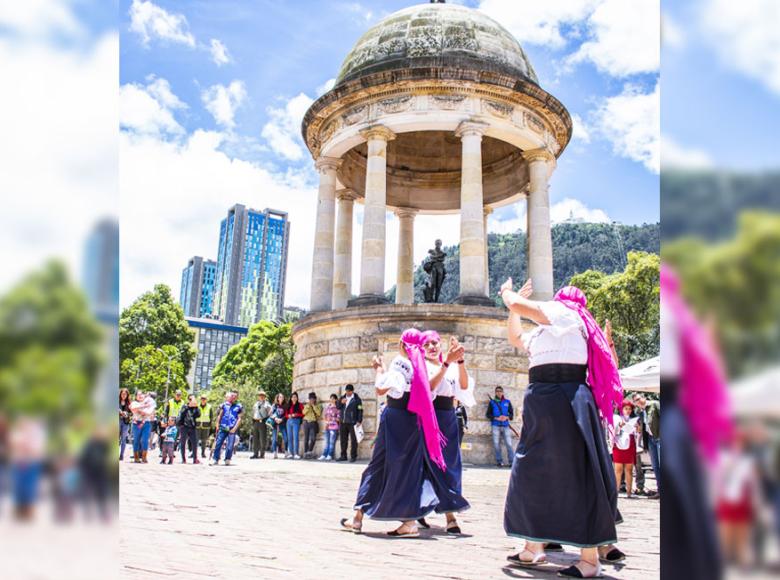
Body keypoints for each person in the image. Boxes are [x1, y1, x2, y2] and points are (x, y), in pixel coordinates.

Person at [500, 278, 624, 578]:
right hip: (543, 400)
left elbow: (518, 304)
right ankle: (533, 548)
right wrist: (513, 310)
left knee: (577, 473)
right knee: (531, 472)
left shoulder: (568, 315)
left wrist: (508, 294)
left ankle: (589, 560)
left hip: (563, 398)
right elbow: (517, 337)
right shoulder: (549, 330)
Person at [340, 328, 466, 538]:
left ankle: (358, 518)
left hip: (396, 418)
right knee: (409, 471)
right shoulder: (421, 367)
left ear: (402, 344)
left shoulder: (401, 363)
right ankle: (408, 521)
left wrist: (379, 369)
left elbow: (381, 389)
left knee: (378, 466)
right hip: (414, 422)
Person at [420, 330, 472, 534]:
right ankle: (441, 513)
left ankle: (450, 511)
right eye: (427, 344)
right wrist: (447, 363)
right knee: (429, 464)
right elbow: (428, 387)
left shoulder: (449, 365)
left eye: (435, 343)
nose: (432, 347)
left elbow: (464, 386)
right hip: (430, 417)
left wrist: (459, 361)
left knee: (450, 464)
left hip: (449, 417)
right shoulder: (422, 365)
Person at [715, 429, 760, 567]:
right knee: (725, 535)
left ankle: (742, 558)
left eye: (741, 443)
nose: (738, 446)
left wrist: (758, 503)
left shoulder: (749, 462)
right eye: (735, 443)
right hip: (726, 502)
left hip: (743, 502)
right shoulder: (723, 459)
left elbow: (754, 484)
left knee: (742, 535)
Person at [633, 392, 660, 498]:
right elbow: (643, 427)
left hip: (659, 438)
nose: (637, 402)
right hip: (650, 439)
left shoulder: (654, 404)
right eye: (635, 401)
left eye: (638, 399)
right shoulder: (641, 412)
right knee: (655, 466)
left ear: (643, 397)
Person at [612, 399, 641, 498]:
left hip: (630, 444)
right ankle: (616, 492)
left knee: (629, 469)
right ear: (621, 409)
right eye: (626, 408)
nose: (628, 410)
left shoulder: (635, 419)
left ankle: (629, 492)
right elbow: (612, 430)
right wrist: (619, 426)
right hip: (618, 444)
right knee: (618, 469)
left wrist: (637, 428)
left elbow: (638, 432)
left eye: (629, 409)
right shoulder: (616, 418)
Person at [211, 391, 243, 466]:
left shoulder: (239, 406)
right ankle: (216, 459)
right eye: (232, 396)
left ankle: (227, 459)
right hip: (223, 427)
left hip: (232, 428)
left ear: (237, 398)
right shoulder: (224, 405)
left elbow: (239, 419)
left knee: (230, 445)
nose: (233, 397)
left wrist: (235, 428)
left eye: (235, 396)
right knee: (218, 443)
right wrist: (217, 424)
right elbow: (220, 415)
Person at [487, 386, 514, 467]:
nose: (499, 392)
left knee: (509, 444)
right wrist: (496, 418)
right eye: (497, 391)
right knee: (496, 444)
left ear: (502, 392)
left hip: (505, 425)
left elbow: (512, 414)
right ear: (495, 392)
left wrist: (506, 417)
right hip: (495, 425)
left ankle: (511, 462)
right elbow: (488, 414)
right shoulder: (492, 402)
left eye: (500, 391)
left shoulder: (507, 402)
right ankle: (499, 461)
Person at [337, 384, 363, 463]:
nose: (347, 393)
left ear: (352, 391)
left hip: (353, 422)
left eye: (349, 391)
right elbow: (338, 407)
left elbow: (360, 410)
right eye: (346, 391)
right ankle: (343, 456)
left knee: (353, 440)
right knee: (343, 440)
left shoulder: (357, 399)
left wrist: (359, 420)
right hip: (343, 422)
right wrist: (341, 402)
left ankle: (353, 456)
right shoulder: (342, 398)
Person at [129, 390, 156, 463]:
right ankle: (136, 457)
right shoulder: (134, 403)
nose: (140, 396)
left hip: (146, 423)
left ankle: (144, 457)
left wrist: (140, 410)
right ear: (136, 396)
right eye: (138, 395)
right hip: (136, 423)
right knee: (136, 440)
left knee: (145, 440)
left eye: (142, 394)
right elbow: (133, 409)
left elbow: (150, 413)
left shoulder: (149, 402)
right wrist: (144, 407)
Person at [178, 395, 201, 464]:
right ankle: (183, 459)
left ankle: (195, 459)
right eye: (191, 399)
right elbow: (181, 414)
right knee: (183, 443)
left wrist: (196, 407)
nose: (192, 401)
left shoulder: (195, 408)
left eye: (193, 399)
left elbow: (198, 415)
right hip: (184, 426)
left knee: (194, 443)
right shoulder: (184, 406)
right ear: (188, 400)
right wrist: (187, 407)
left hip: (192, 427)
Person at [251, 391, 272, 459]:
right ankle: (255, 454)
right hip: (255, 422)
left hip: (262, 422)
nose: (261, 396)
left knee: (262, 439)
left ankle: (262, 454)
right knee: (255, 439)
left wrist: (267, 420)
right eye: (260, 395)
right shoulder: (255, 404)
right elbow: (254, 412)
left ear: (265, 397)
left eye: (262, 395)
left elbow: (270, 412)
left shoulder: (267, 404)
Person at [319, 394, 340, 460]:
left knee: (331, 442)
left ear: (336, 400)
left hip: (334, 427)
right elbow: (325, 416)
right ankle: (324, 454)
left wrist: (332, 419)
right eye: (331, 398)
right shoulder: (328, 407)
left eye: (333, 398)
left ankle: (330, 454)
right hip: (327, 426)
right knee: (327, 441)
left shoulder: (337, 408)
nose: (332, 400)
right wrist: (326, 422)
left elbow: (339, 418)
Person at [302, 392, 322, 459]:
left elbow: (319, 413)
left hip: (313, 423)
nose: (312, 400)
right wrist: (308, 406)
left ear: (315, 399)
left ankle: (309, 451)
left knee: (313, 438)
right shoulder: (306, 405)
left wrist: (313, 406)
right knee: (306, 438)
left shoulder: (318, 406)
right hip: (306, 422)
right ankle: (305, 453)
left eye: (313, 399)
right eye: (310, 399)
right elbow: (303, 412)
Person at [285, 392, 304, 459]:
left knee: (295, 437)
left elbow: (303, 414)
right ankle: (291, 453)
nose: (294, 398)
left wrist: (296, 415)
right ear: (291, 398)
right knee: (290, 438)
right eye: (293, 397)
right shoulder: (288, 405)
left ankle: (296, 453)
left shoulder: (300, 405)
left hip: (296, 421)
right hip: (289, 422)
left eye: (295, 397)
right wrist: (289, 415)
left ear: (297, 398)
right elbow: (286, 415)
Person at [270, 393, 288, 459]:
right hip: (275, 424)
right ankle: (275, 453)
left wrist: (281, 419)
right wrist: (275, 418)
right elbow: (270, 413)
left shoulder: (286, 406)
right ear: (277, 398)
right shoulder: (274, 405)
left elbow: (286, 415)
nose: (281, 398)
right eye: (280, 397)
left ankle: (286, 452)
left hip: (283, 424)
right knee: (274, 439)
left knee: (286, 438)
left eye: (282, 397)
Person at [196, 395, 212, 459]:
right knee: (195, 440)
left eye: (204, 399)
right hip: (198, 425)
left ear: (206, 400)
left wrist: (210, 425)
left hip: (206, 426)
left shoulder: (209, 407)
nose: (203, 400)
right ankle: (194, 453)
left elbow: (211, 416)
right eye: (202, 398)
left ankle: (203, 453)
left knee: (204, 441)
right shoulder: (197, 406)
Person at [119, 387, 132, 461]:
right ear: (120, 394)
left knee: (123, 439)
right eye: (122, 394)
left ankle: (121, 455)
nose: (124, 395)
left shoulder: (129, 403)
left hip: (125, 422)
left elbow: (132, 413)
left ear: (127, 395)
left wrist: (127, 414)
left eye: (125, 394)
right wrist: (120, 412)